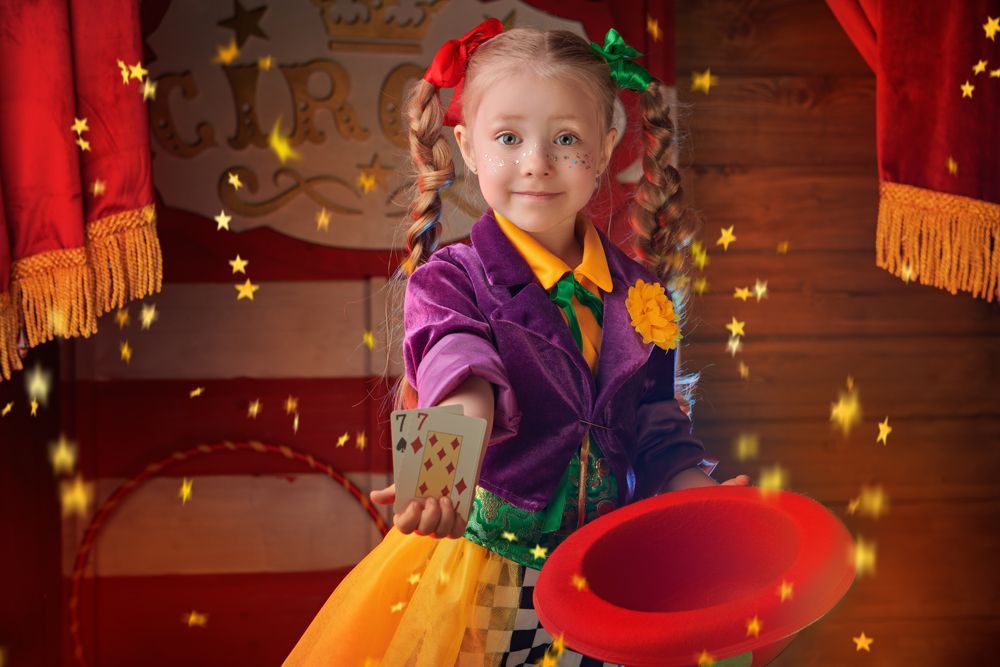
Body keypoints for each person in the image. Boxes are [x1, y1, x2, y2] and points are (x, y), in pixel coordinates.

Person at [284, 20, 750, 667]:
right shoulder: (451, 278)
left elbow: (655, 422)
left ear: (608, 145)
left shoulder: (640, 290)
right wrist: (442, 477)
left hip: (606, 571)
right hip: (491, 571)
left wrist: (699, 492)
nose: (536, 161)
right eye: (509, 137)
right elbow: (462, 375)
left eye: (566, 138)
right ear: (468, 146)